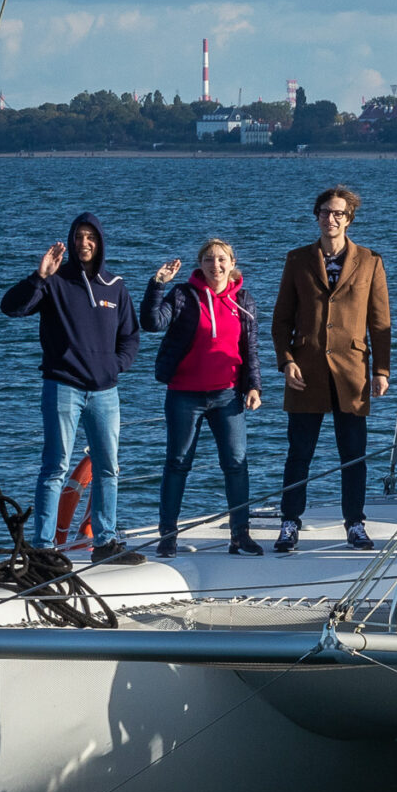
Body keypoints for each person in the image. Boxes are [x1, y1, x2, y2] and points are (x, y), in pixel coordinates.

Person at [0, 212, 143, 563]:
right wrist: (39, 277)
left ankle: (105, 542)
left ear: (100, 242)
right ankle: (43, 547)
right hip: (63, 387)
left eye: (90, 237)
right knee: (55, 467)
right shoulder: (54, 282)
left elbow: (130, 337)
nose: (84, 243)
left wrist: (114, 366)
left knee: (108, 468)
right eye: (78, 237)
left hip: (105, 392)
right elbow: (11, 308)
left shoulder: (115, 286)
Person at [270, 185, 391, 553]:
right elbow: (281, 320)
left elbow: (380, 323)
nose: (331, 219)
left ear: (349, 218)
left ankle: (355, 523)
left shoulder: (370, 261)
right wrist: (286, 361)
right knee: (299, 453)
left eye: (339, 213)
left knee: (353, 454)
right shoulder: (297, 260)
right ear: (317, 216)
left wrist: (382, 370)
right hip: (305, 371)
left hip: (352, 373)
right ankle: (290, 522)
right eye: (325, 212)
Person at [141, 238, 262, 558]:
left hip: (228, 395)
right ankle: (168, 536)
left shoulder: (243, 300)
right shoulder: (183, 295)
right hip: (184, 394)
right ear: (200, 264)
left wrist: (254, 386)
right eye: (209, 259)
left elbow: (250, 349)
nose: (215, 265)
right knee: (178, 463)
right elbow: (152, 323)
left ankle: (240, 535)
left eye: (221, 259)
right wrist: (157, 284)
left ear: (232, 263)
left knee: (236, 464)